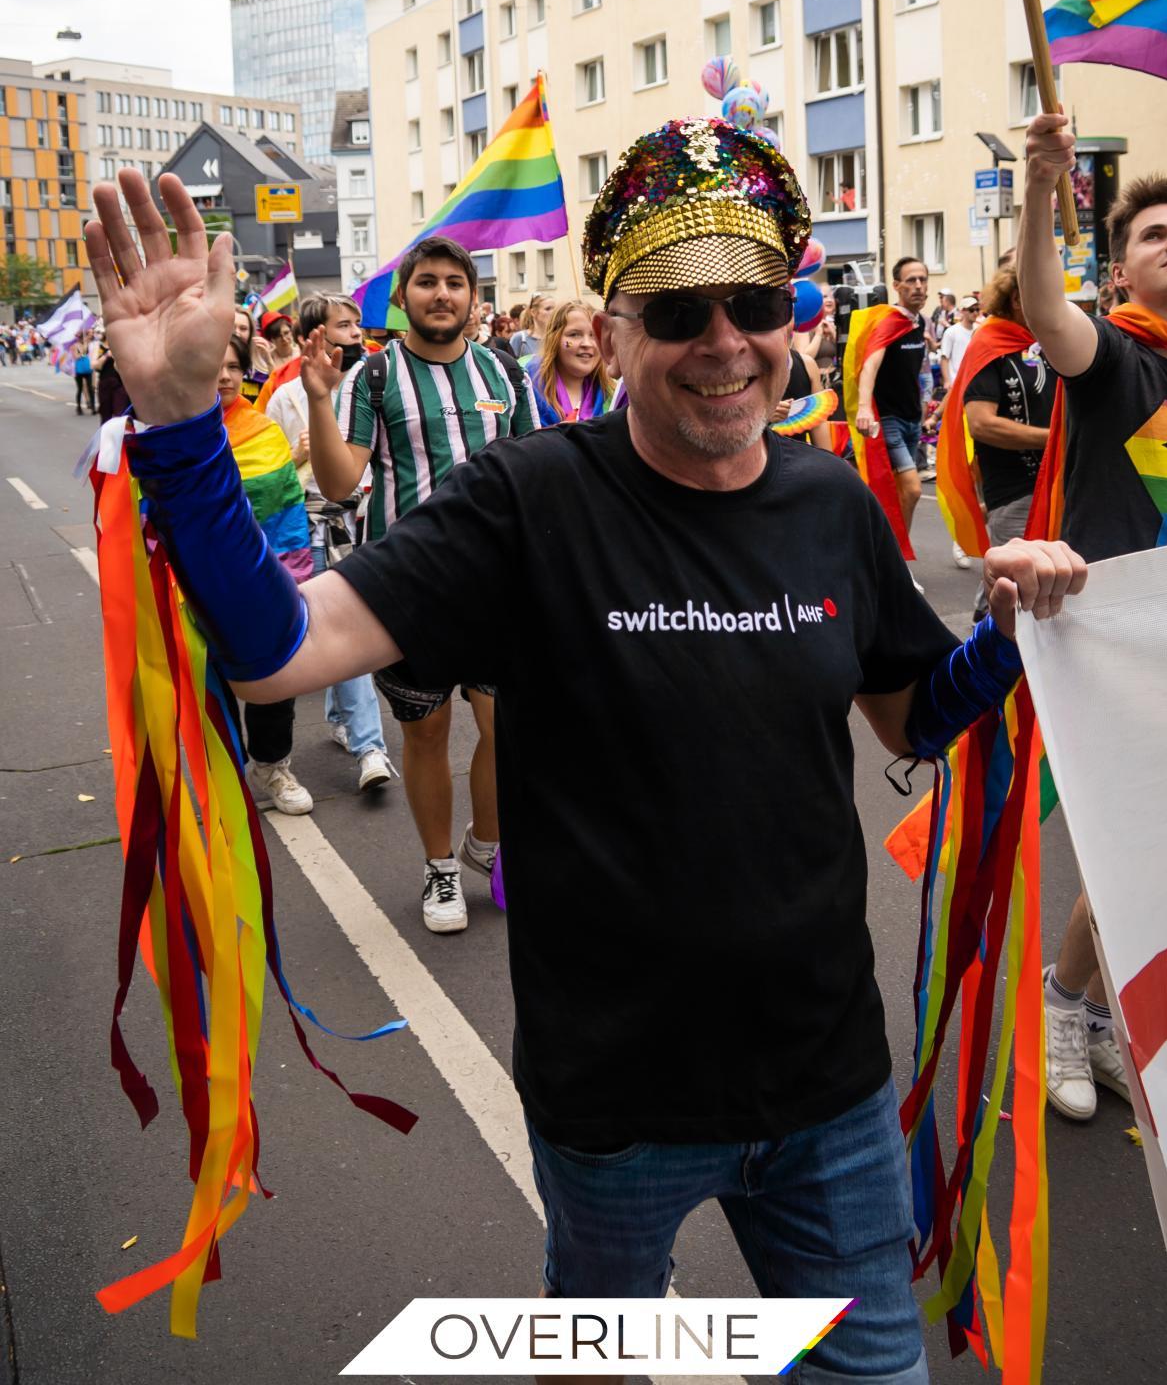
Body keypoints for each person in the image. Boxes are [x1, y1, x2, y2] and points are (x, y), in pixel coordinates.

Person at [86, 148, 1084, 1378]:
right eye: (677, 311)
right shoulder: (527, 499)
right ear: (611, 333)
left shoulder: (831, 503)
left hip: (828, 1089)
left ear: (793, 323)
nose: (725, 342)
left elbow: (909, 720)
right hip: (615, 1106)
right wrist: (184, 426)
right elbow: (273, 653)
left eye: (756, 305)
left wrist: (1002, 632)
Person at [1018, 116, 1167, 1121]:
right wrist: (1042, 188)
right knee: (1137, 855)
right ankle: (1068, 1007)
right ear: (1121, 271)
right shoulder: (1113, 364)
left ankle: (1086, 1002)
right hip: (1117, 654)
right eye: (1153, 234)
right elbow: (1047, 308)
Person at [301, 235, 541, 934]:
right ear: (403, 296)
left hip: (496, 584)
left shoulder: (504, 372)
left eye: (454, 283)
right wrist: (319, 399)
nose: (442, 294)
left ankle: (485, 845)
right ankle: (440, 870)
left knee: (506, 725)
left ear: (473, 299)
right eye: (427, 282)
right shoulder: (372, 379)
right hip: (409, 584)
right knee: (428, 731)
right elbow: (342, 483)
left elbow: (532, 466)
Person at [264, 293, 396, 793]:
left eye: (357, 323)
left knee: (346, 627)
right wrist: (297, 456)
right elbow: (270, 480)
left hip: (363, 521)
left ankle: (341, 718)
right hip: (312, 525)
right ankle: (370, 748)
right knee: (347, 631)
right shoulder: (284, 399)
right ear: (311, 337)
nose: (356, 332)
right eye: (343, 324)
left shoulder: (369, 383)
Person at [216, 335, 314, 815]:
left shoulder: (262, 431)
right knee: (210, 682)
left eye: (234, 366)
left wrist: (288, 581)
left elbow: (286, 509)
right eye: (214, 366)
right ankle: (224, 775)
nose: (225, 376)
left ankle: (272, 766)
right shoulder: (167, 434)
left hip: (263, 578)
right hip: (195, 584)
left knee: (275, 674)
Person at [961, 268, 1054, 618]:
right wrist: (1052, 439)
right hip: (1015, 492)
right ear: (1017, 299)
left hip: (1056, 486)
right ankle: (983, 658)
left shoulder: (1044, 343)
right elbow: (981, 424)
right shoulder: (989, 344)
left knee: (1040, 590)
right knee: (1013, 591)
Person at [853, 256, 930, 541]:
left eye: (923, 280)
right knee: (912, 490)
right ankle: (894, 554)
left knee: (900, 494)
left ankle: (894, 556)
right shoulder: (889, 321)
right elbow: (870, 365)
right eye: (911, 280)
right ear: (897, 286)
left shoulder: (918, 322)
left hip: (913, 420)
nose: (919, 286)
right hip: (889, 421)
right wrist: (864, 408)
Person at [528, 299, 614, 424]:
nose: (587, 344)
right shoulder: (526, 387)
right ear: (555, 339)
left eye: (594, 335)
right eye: (574, 335)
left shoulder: (613, 395)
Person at [938, 295, 978, 388]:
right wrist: (947, 381)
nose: (975, 313)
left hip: (975, 382)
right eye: (971, 310)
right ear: (962, 311)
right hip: (956, 382)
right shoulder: (951, 332)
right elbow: (944, 358)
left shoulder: (979, 330)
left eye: (977, 309)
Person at [509, 293, 554, 361]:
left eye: (555, 309)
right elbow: (509, 366)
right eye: (548, 309)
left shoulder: (558, 337)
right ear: (533, 312)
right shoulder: (520, 338)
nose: (553, 312)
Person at [71, 334, 95, 413]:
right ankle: (78, 407)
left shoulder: (88, 344)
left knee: (90, 388)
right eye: (81, 337)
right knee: (80, 388)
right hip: (79, 370)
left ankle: (93, 407)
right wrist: (82, 352)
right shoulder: (74, 346)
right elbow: (75, 357)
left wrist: (86, 346)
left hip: (88, 369)